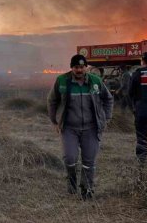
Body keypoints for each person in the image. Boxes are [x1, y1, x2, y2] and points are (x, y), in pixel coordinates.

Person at [47, 55, 113, 200]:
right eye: (76, 67)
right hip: (69, 128)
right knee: (70, 158)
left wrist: (106, 118)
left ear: (86, 67)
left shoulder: (95, 81)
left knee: (89, 161)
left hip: (91, 128)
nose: (79, 70)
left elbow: (108, 99)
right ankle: (71, 183)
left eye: (82, 67)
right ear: (72, 67)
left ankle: (87, 189)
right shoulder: (62, 81)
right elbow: (52, 101)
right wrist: (54, 121)